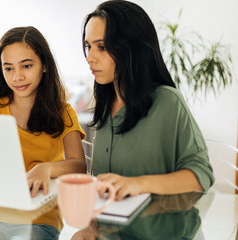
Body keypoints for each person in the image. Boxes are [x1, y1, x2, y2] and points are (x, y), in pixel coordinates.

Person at [82, 0, 214, 200]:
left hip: (158, 227)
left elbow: (201, 174)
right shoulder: (105, 105)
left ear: (132, 48)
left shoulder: (167, 101)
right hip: (108, 227)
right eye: (88, 46)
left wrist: (138, 184)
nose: (90, 57)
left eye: (102, 46)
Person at [0, 26, 86, 240]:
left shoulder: (63, 111)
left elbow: (79, 165)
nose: (17, 76)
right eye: (9, 68)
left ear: (44, 65)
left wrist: (46, 169)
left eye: (26, 65)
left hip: (40, 218)